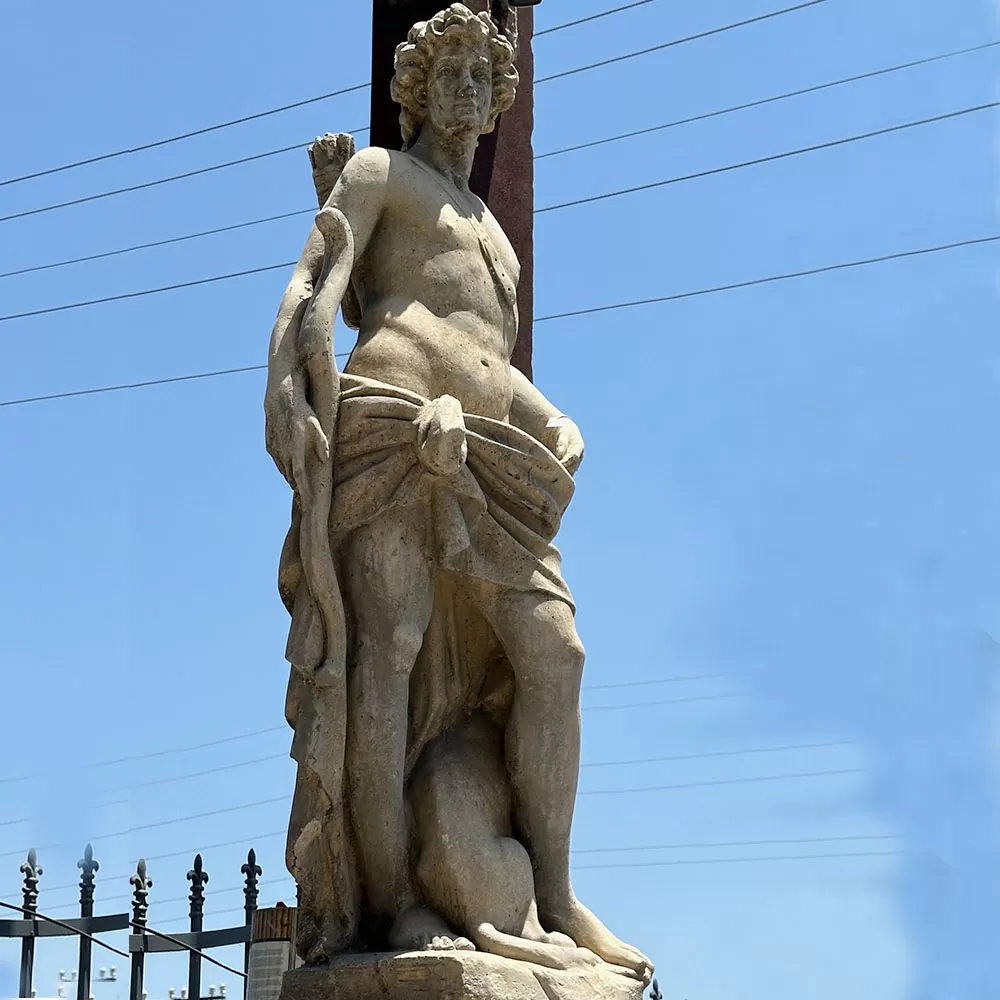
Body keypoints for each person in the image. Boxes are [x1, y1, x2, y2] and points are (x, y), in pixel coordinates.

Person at [264, 4, 650, 980]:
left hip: (488, 452)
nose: (468, 94)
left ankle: (555, 896)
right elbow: (324, 288)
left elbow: (484, 352)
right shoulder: (377, 174)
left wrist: (547, 415)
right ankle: (392, 908)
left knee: (552, 653)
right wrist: (294, 384)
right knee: (384, 657)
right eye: (449, 77)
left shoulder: (494, 236)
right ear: (416, 90)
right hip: (392, 429)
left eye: (484, 79)